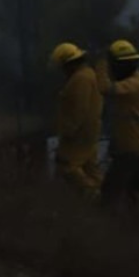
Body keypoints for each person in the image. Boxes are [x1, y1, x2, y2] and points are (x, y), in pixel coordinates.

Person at [95, 39, 139, 210]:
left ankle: (109, 229)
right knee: (138, 196)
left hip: (132, 151)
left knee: (110, 192)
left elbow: (105, 88)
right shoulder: (138, 81)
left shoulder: (134, 84)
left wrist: (101, 62)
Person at [49, 42, 103, 199]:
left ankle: (93, 195)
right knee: (90, 168)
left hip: (79, 135)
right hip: (89, 132)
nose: (62, 70)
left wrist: (67, 130)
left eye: (62, 66)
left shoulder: (81, 79)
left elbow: (79, 110)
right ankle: (108, 199)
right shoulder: (88, 74)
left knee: (68, 166)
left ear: (69, 63)